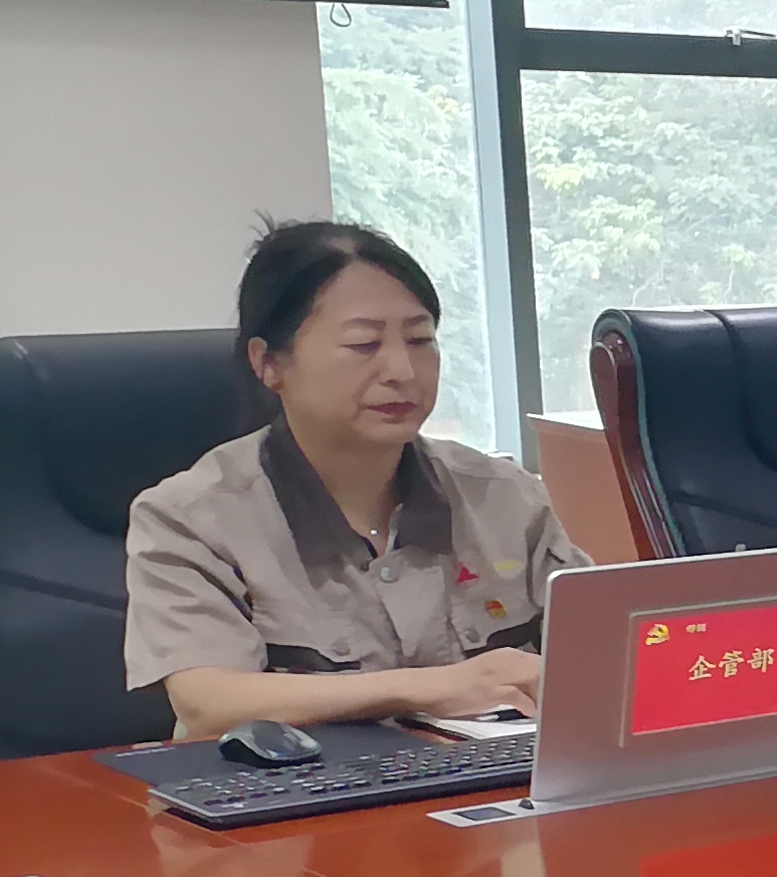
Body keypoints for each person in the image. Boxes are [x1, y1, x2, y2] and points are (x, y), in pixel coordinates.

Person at [128, 218, 589, 740]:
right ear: (269, 363)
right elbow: (208, 703)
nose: (403, 371)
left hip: (492, 782)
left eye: (420, 340)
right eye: (364, 344)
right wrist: (431, 687)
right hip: (303, 789)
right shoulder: (191, 517)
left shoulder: (504, 496)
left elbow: (607, 649)